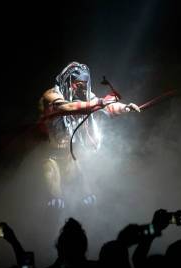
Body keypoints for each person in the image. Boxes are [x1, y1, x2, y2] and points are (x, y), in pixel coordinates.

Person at [39, 61, 141, 209]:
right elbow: (67, 107)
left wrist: (125, 107)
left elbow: (106, 107)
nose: (81, 89)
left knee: (87, 196)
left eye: (84, 85)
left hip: (69, 154)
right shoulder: (52, 94)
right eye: (77, 84)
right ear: (68, 81)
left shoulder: (85, 96)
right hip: (50, 155)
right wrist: (100, 102)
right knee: (55, 199)